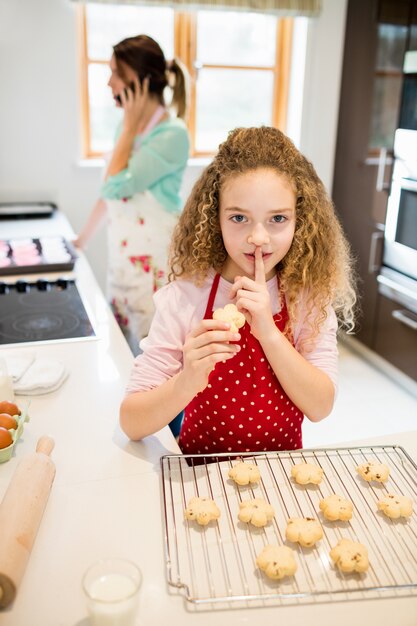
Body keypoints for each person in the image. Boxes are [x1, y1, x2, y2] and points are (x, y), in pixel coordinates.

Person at [120, 126, 357, 454]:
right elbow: (132, 423)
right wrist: (187, 380)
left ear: (299, 220)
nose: (258, 237)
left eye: (277, 218)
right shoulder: (187, 296)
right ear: (215, 217)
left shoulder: (307, 298)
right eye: (238, 218)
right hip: (200, 479)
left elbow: (320, 406)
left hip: (280, 475)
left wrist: (269, 333)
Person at [75, 35, 190, 355]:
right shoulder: (124, 128)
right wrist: (81, 241)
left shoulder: (172, 134)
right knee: (123, 355)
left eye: (115, 73)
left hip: (154, 269)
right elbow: (108, 195)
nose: (108, 82)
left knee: (155, 362)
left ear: (138, 81)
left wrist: (128, 128)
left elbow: (116, 185)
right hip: (123, 263)